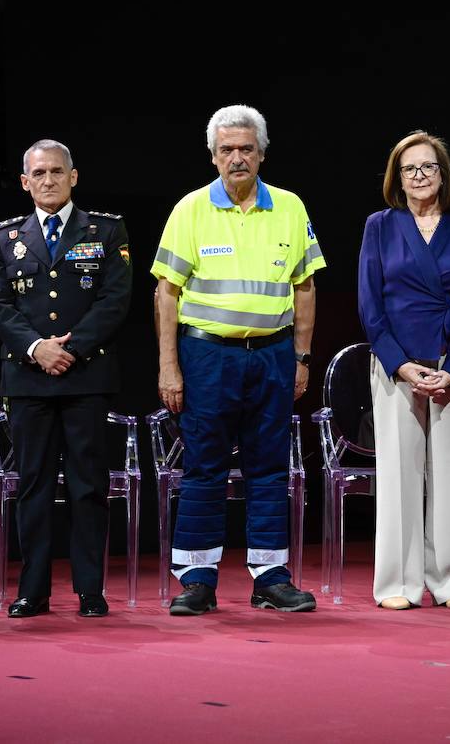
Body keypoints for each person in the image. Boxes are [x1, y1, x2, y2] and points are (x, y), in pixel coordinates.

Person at [152, 104, 324, 615]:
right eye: (226, 149)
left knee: (269, 467)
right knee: (204, 467)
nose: (237, 158)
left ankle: (270, 577)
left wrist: (302, 357)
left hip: (272, 353)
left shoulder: (291, 208)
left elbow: (306, 287)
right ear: (212, 157)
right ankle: (197, 580)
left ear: (263, 153)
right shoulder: (190, 210)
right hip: (207, 355)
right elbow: (166, 293)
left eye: (246, 148)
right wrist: (168, 365)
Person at [0, 139, 132, 618]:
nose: (48, 181)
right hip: (28, 379)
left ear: (73, 177)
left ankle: (90, 589)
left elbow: (115, 298)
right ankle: (34, 589)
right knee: (34, 486)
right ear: (25, 182)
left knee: (89, 485)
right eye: (39, 173)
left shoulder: (105, 230)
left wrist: (71, 348)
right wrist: (36, 348)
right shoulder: (3, 237)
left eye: (56, 172)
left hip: (85, 375)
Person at [358, 131, 450, 610]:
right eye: (409, 168)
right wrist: (401, 365)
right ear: (397, 177)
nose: (418, 176)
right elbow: (371, 307)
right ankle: (399, 583)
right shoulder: (379, 226)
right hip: (398, 368)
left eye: (427, 167)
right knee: (398, 476)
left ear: (442, 174)